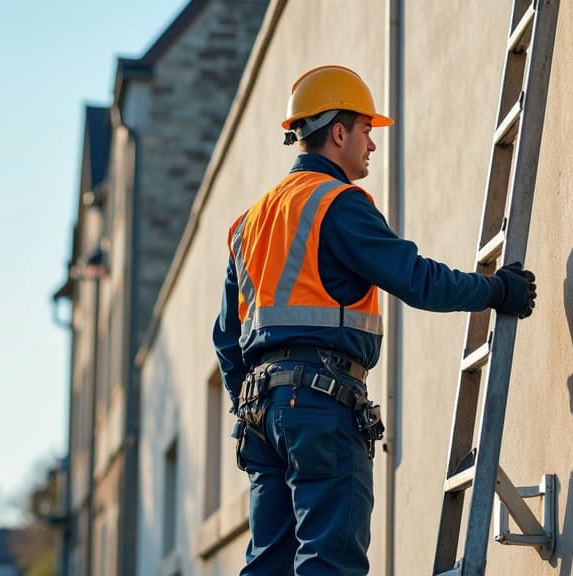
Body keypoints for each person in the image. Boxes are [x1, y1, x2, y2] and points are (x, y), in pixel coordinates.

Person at [213, 65, 537, 575]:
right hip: (320, 406)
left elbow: (226, 342)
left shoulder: (246, 223)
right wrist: (497, 290)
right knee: (330, 563)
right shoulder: (336, 203)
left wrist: (255, 403)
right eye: (366, 130)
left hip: (260, 416)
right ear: (338, 132)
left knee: (267, 565)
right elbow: (416, 279)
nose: (372, 144)